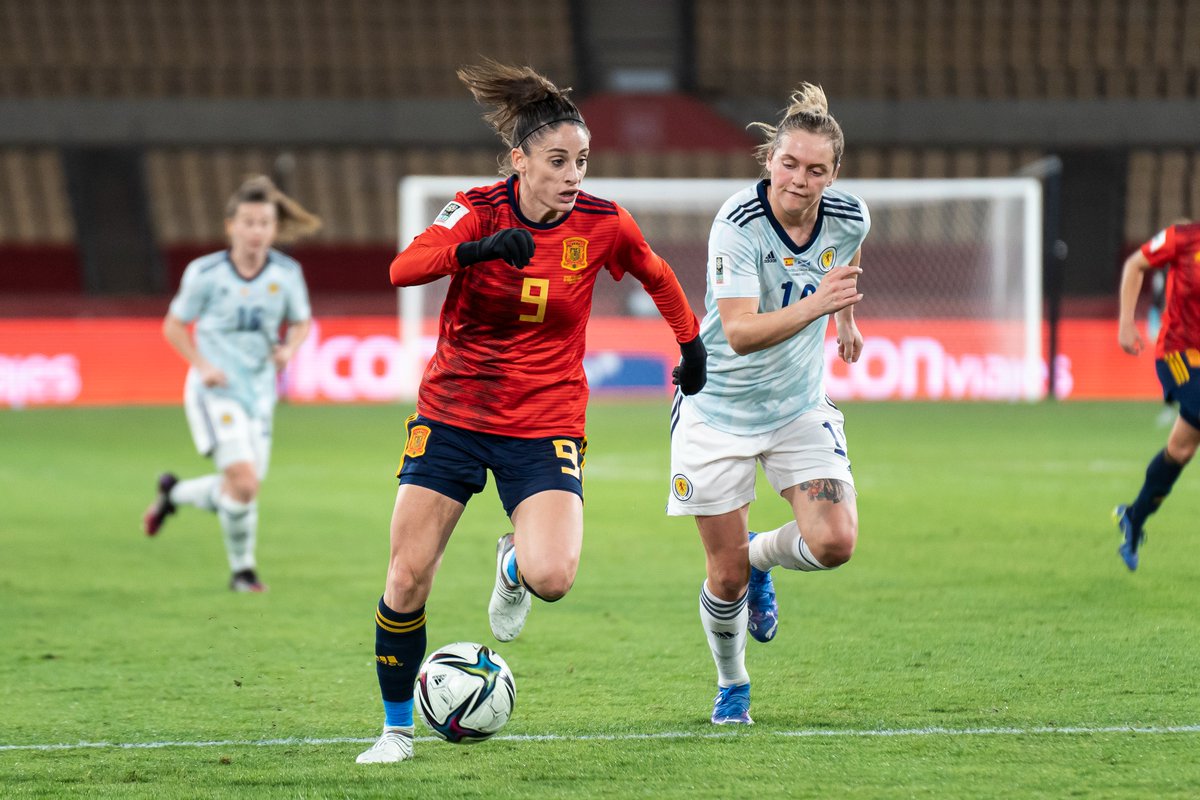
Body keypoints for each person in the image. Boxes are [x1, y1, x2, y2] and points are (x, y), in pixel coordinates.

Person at [355, 60, 707, 764]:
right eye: (557, 161)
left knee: (553, 578)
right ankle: (395, 732)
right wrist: (477, 249)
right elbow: (403, 269)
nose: (573, 175)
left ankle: (513, 563)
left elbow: (658, 274)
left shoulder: (603, 223)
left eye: (582, 161)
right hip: (454, 412)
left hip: (545, 420)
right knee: (407, 576)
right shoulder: (476, 208)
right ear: (520, 161)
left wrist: (691, 343)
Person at [666, 83, 869, 725]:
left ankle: (758, 556)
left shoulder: (850, 215)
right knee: (723, 577)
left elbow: (846, 253)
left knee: (835, 542)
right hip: (716, 409)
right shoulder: (738, 225)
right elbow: (741, 333)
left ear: (834, 174)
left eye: (816, 170)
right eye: (789, 164)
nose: (799, 181)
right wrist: (820, 307)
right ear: (769, 160)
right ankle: (733, 685)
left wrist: (845, 321)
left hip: (796, 406)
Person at [142, 175, 321, 592]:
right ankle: (243, 572)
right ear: (231, 226)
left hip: (259, 393)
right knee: (243, 483)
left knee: (241, 489)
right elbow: (173, 325)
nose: (256, 231)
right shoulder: (205, 273)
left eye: (264, 223)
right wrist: (202, 365)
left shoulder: (286, 273)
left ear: (273, 229)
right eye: (248, 222)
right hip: (215, 391)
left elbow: (301, 322)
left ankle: (174, 494)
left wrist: (289, 350)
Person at [1113, 218, 1200, 570]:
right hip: (1179, 354)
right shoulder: (1184, 238)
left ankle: (1134, 517)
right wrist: (1126, 322)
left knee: (1181, 449)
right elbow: (1135, 264)